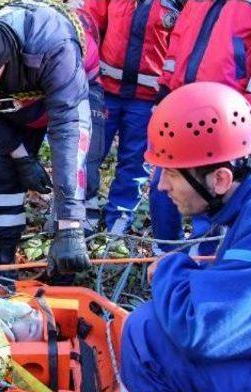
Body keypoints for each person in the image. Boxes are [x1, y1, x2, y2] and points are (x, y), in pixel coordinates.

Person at [120, 82, 251, 392]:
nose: (162, 186)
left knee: (147, 333)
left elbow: (203, 331)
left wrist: (170, 269)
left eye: (172, 173)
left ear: (221, 179)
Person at [0, 0, 92, 286]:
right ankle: (3, 261)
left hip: (72, 90)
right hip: (16, 103)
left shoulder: (53, 45)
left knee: (80, 172)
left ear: (2, 61)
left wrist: (70, 225)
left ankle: (67, 261)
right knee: (6, 174)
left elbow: (69, 129)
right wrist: (22, 157)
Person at [149, 0, 251, 253]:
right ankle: (165, 252)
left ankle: (207, 258)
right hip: (183, 104)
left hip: (226, 116)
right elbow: (180, 38)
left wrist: (246, 115)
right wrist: (167, 90)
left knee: (212, 192)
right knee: (165, 187)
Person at [82, 0, 185, 235]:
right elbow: (90, 27)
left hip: (147, 98)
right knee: (90, 152)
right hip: (105, 91)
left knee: (135, 161)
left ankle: (119, 217)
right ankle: (83, 211)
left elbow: (181, 45)